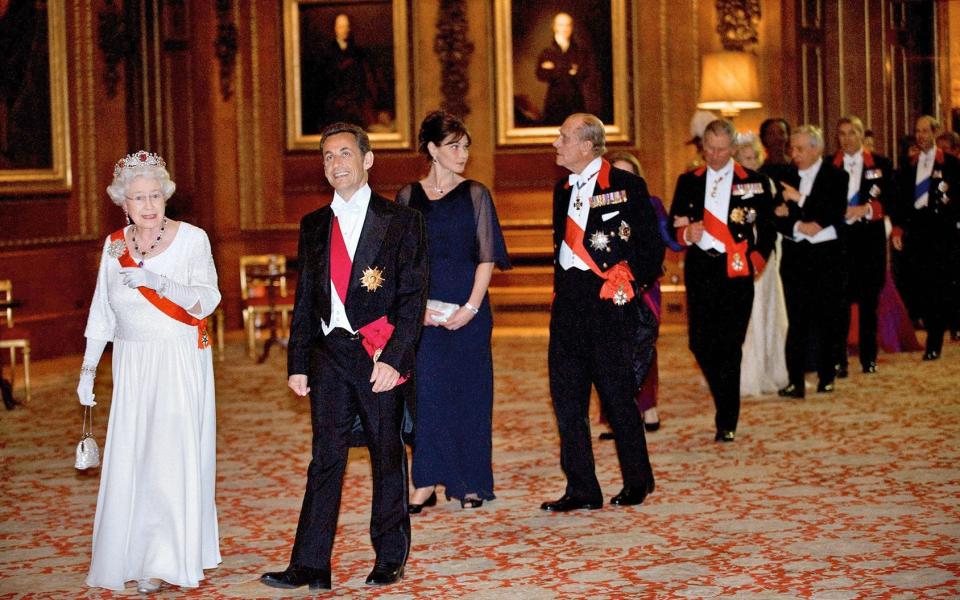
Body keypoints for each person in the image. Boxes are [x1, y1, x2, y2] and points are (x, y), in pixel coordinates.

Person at [261, 123, 428, 591]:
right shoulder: (314, 224)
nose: (337, 164)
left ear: (367, 160)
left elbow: (413, 299)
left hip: (377, 354)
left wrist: (394, 358)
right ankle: (310, 563)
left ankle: (390, 555)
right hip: (328, 355)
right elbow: (305, 299)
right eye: (328, 157)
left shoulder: (400, 222)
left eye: (345, 154)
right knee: (325, 459)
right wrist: (297, 361)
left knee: (385, 453)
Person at [79, 151, 222, 593]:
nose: (147, 205)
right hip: (132, 363)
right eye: (138, 197)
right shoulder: (115, 245)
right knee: (136, 457)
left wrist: (159, 283)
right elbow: (102, 310)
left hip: (178, 359)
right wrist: (87, 370)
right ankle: (135, 552)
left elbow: (208, 298)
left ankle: (165, 559)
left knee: (168, 457)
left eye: (155, 195)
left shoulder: (192, 239)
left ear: (166, 197)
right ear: (123, 202)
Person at [541, 113, 663, 512]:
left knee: (616, 397)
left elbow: (650, 249)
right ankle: (582, 488)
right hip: (568, 305)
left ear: (587, 145)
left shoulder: (628, 186)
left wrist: (631, 283)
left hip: (609, 304)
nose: (556, 143)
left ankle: (638, 480)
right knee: (567, 399)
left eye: (563, 137)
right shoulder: (562, 188)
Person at [396, 111, 511, 512]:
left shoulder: (476, 194)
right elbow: (402, 262)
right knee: (427, 396)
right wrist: (417, 308)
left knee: (471, 394)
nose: (463, 153)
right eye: (454, 146)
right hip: (424, 314)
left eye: (466, 146)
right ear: (432, 149)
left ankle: (470, 482)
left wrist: (472, 307)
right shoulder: (408, 196)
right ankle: (425, 480)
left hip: (469, 310)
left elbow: (487, 257)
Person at [669, 120, 776, 441]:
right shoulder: (688, 180)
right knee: (699, 343)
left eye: (720, 149)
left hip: (737, 269)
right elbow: (674, 225)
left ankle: (726, 417)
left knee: (730, 345)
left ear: (732, 148)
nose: (714, 156)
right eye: (709, 149)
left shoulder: (754, 182)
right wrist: (687, 232)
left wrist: (755, 262)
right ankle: (723, 396)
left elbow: (768, 229)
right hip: (701, 268)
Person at [601, 151, 683, 433]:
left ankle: (648, 406)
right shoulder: (596, 205)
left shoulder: (651, 203)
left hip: (645, 286)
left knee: (642, 346)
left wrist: (682, 230)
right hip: (608, 287)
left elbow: (670, 240)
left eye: (628, 175)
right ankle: (615, 415)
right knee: (610, 350)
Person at [776, 125, 848, 398]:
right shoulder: (784, 175)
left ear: (816, 149)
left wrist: (798, 199)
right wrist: (797, 225)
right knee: (796, 319)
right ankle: (795, 379)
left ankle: (827, 375)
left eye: (801, 149)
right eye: (792, 149)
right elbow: (776, 215)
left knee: (827, 316)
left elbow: (833, 210)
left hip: (826, 254)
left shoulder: (836, 176)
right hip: (796, 254)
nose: (795, 154)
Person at [831, 115, 896, 376]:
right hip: (840, 244)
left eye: (852, 133)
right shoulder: (829, 166)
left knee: (869, 303)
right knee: (840, 303)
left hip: (869, 242)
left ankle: (869, 358)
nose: (847, 139)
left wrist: (866, 209)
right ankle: (839, 360)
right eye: (842, 134)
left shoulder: (881, 164)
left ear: (861, 135)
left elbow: (893, 198)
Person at [891, 115, 960, 360]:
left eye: (924, 131)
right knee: (918, 284)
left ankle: (934, 342)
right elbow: (899, 201)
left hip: (940, 231)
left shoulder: (951, 164)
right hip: (915, 230)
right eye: (917, 132)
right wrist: (897, 229)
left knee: (938, 287)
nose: (920, 136)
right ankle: (928, 326)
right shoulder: (909, 165)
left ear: (935, 132)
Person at [733, 133, 789, 397]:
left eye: (755, 157)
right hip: (739, 257)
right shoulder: (731, 185)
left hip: (766, 257)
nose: (752, 162)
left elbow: (776, 217)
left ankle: (770, 367)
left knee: (768, 312)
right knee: (747, 314)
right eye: (746, 157)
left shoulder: (766, 183)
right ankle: (746, 373)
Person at [536, 13, 592, 126]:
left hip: (575, 103)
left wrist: (555, 68)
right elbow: (540, 75)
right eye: (561, 25)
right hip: (554, 104)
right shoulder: (547, 51)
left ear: (571, 28)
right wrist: (569, 70)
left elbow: (584, 73)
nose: (564, 29)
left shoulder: (579, 51)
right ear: (554, 27)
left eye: (567, 25)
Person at [758, 118, 793, 184]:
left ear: (788, 136)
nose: (778, 138)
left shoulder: (797, 167)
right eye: (771, 134)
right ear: (764, 138)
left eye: (781, 133)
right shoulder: (760, 171)